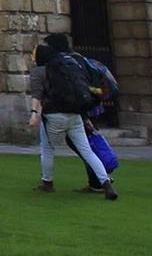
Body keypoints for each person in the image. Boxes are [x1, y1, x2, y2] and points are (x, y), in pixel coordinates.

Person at [30, 32, 116, 201]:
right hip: (75, 114)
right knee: (87, 151)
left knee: (47, 149)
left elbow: (37, 95)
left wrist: (34, 114)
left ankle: (47, 183)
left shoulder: (41, 71)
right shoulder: (72, 63)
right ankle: (106, 184)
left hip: (53, 114)